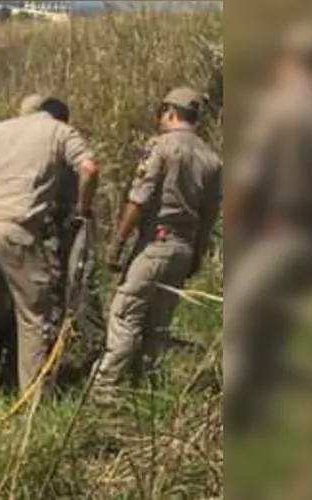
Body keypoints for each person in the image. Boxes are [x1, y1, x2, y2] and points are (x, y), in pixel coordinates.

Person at [224, 22, 312, 431]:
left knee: (239, 320)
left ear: (291, 62)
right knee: (274, 324)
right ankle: (257, 419)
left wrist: (232, 226)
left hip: (274, 232)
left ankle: (231, 420)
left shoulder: (279, 109)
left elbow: (249, 176)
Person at [91, 87, 222, 398]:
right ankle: (149, 390)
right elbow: (210, 215)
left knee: (125, 314)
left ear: (170, 113)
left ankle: (105, 391)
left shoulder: (160, 147)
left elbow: (139, 198)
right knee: (158, 323)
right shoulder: (213, 159)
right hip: (183, 248)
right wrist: (197, 254)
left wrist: (117, 242)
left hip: (155, 245)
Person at [0, 95, 101, 393]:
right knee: (33, 318)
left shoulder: (1, 129)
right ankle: (33, 402)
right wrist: (82, 208)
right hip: (16, 232)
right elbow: (89, 169)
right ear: (61, 117)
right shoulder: (60, 131)